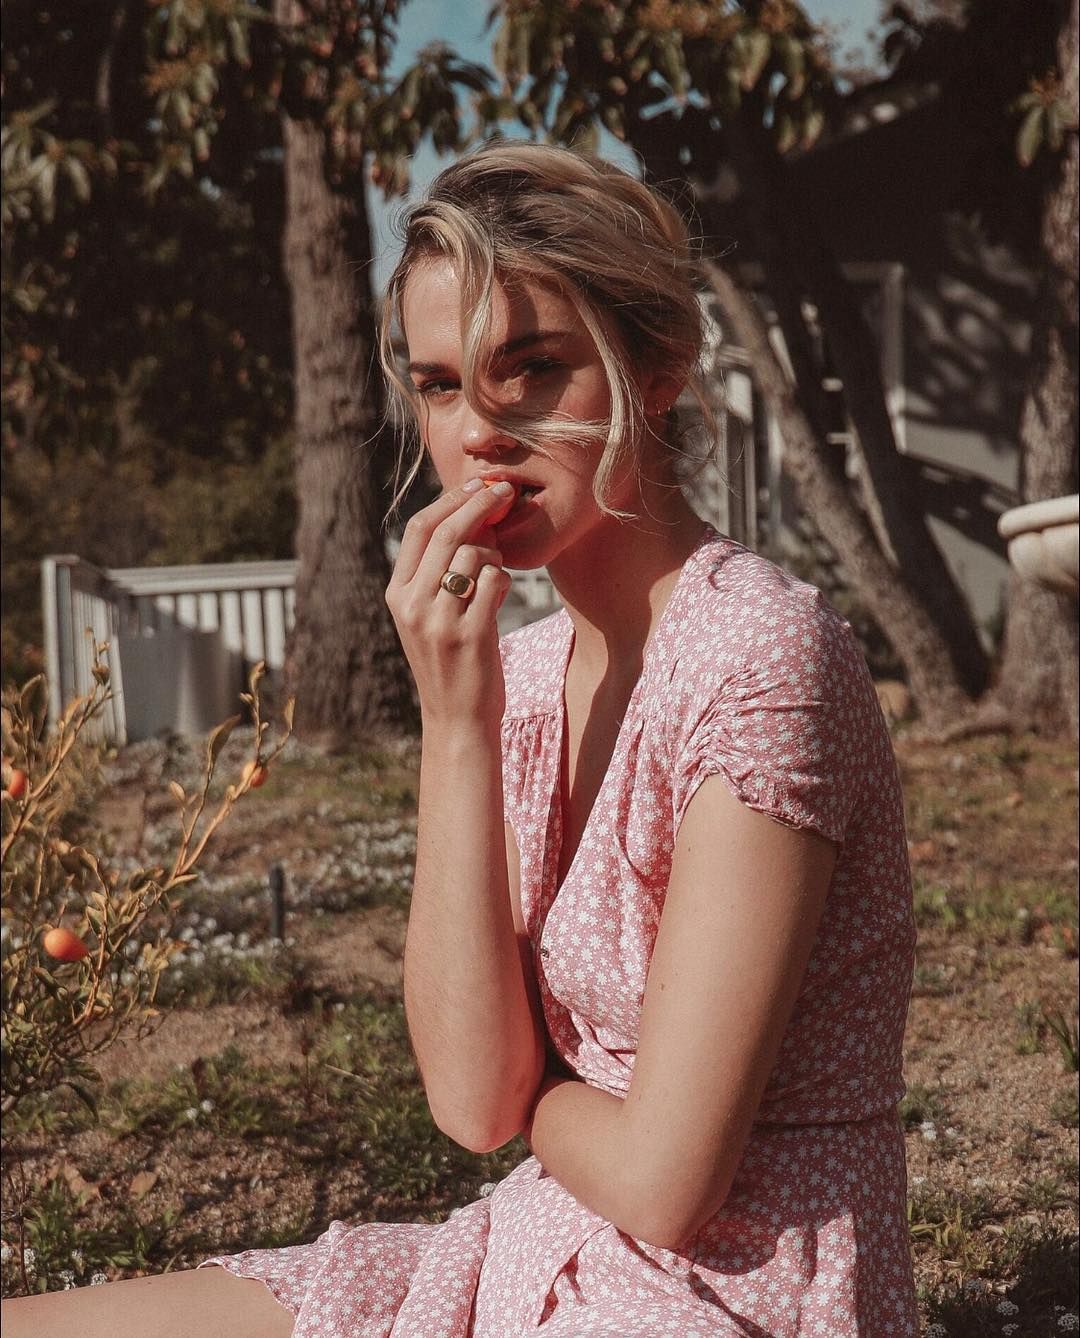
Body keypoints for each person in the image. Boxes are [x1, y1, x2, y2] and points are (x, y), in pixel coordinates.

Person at [3, 142, 918, 1337]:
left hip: (733, 1294)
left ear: (660, 368)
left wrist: (548, 1094)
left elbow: (664, 1184)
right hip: (537, 1241)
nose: (480, 431)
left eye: (531, 369)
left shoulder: (758, 656)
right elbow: (473, 1102)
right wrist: (454, 721)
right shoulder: (521, 677)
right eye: (441, 386)